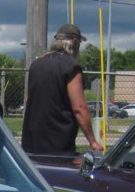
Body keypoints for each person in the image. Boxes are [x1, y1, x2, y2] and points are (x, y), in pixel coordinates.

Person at [21, 24, 102, 156]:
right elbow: (79, 108)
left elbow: (29, 99)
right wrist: (92, 141)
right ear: (74, 42)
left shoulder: (36, 65)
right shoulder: (71, 67)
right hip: (58, 142)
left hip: (31, 142)